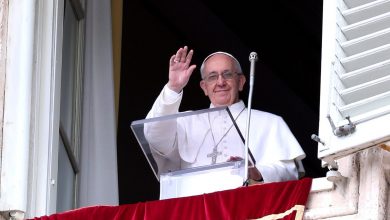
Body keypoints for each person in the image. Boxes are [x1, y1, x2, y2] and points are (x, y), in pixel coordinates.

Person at [144, 46, 306, 183]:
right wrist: (173, 88)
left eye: (227, 74)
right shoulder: (187, 121)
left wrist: (256, 172)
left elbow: (289, 172)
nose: (220, 82)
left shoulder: (270, 123)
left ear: (241, 82)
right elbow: (154, 136)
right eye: (213, 76)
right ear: (204, 87)